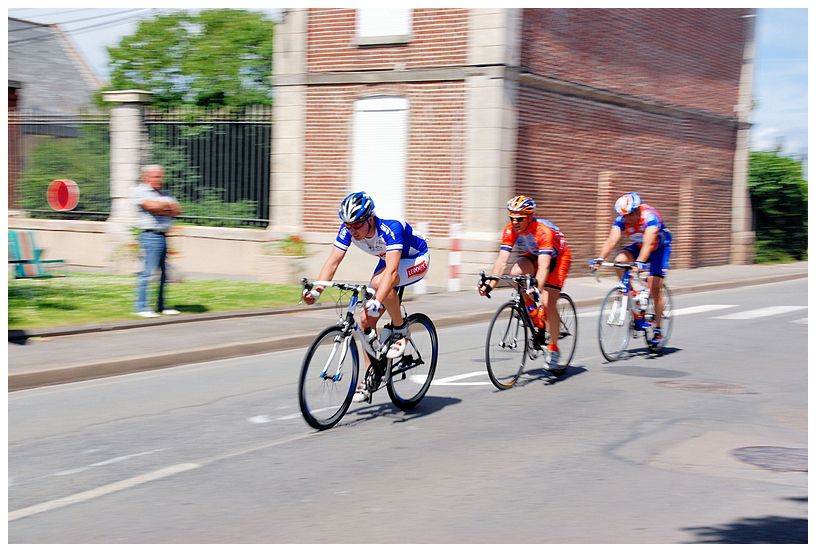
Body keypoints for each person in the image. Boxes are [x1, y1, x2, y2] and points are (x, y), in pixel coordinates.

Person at [302, 191, 430, 403]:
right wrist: (316, 292)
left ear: (370, 218)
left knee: (380, 285)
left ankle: (400, 328)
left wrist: (377, 301)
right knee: (364, 321)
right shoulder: (348, 230)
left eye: (357, 225)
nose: (352, 230)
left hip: (416, 259)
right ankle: (370, 378)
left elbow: (391, 272)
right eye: (348, 225)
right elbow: (332, 263)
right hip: (388, 259)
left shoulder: (391, 228)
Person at [477, 195, 572, 372]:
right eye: (512, 218)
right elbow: (501, 262)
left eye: (519, 218)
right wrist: (490, 284)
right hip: (535, 255)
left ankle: (554, 348)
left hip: (557, 259)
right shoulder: (509, 230)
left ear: (529, 218)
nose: (515, 222)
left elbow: (544, 267)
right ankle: (533, 313)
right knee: (516, 273)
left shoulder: (543, 231)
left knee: (547, 302)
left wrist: (537, 289)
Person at [589, 191, 672, 346]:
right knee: (619, 261)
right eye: (624, 215)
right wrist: (600, 258)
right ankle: (633, 293)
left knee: (655, 287)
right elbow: (612, 239)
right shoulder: (623, 218)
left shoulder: (650, 217)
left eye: (630, 215)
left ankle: (658, 330)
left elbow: (648, 243)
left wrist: (640, 262)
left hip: (658, 248)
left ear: (638, 210)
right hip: (639, 245)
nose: (627, 219)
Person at [133, 164, 183, 318]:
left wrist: (164, 207)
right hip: (150, 236)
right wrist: (166, 207)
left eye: (160, 176)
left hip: (163, 236)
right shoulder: (139, 191)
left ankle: (161, 306)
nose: (159, 179)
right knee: (147, 273)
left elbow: (177, 210)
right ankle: (141, 307)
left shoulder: (164, 193)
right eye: (156, 176)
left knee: (164, 274)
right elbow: (151, 207)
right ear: (146, 177)